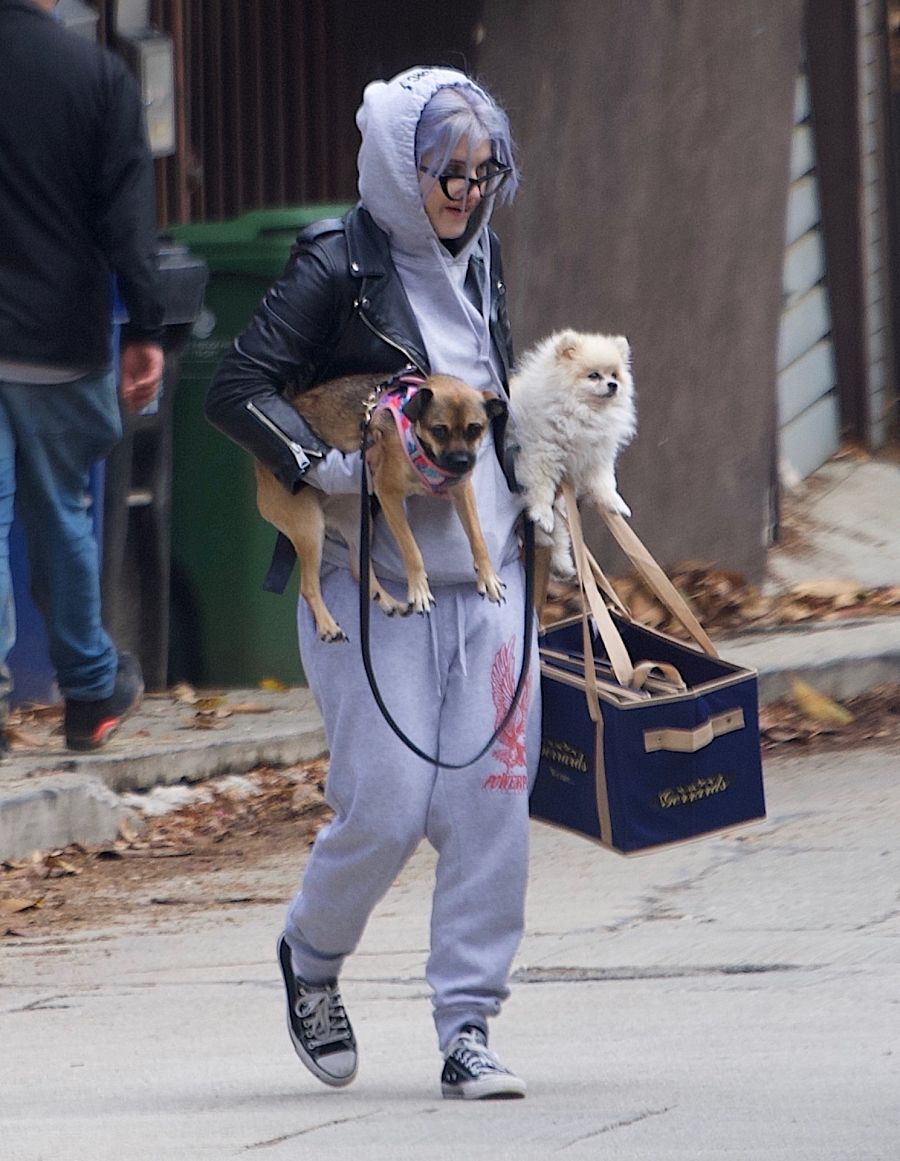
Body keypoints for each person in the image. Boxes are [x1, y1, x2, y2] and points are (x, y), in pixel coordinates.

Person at [206, 66, 540, 1100]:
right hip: (370, 577)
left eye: (483, 173)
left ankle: (468, 1026)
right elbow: (237, 387)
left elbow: (492, 406)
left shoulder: (483, 260)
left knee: (491, 802)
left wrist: (547, 486)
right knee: (386, 807)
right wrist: (325, 468)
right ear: (402, 167)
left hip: (490, 579)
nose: (466, 194)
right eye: (447, 173)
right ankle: (311, 956)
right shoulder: (337, 263)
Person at [0, 0, 165, 751]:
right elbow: (126, 217)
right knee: (63, 512)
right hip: (58, 338)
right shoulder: (97, 77)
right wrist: (147, 328)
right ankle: (90, 690)